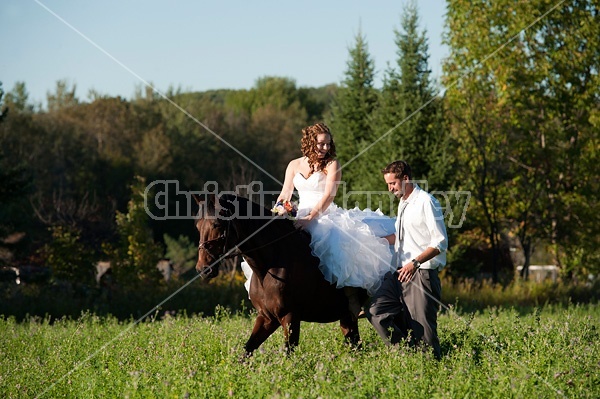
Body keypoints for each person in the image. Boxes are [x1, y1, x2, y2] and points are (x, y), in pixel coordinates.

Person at [241, 122, 395, 318]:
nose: (325, 148)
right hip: (299, 213)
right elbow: (285, 193)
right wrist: (280, 209)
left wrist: (310, 218)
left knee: (336, 245)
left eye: (328, 144)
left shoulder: (332, 164)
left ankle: (351, 298)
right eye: (321, 144)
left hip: (324, 215)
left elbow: (329, 195)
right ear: (309, 142)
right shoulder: (294, 165)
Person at [367, 160, 448, 359]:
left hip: (421, 273)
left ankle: (433, 371)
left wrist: (415, 263)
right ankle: (406, 354)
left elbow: (440, 242)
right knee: (375, 311)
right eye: (387, 184)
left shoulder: (426, 202)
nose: (390, 188)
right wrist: (374, 241)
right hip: (400, 272)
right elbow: (402, 237)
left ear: (406, 179)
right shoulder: (403, 202)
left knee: (424, 333)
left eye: (392, 183)